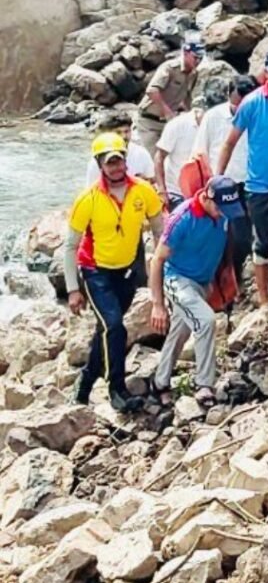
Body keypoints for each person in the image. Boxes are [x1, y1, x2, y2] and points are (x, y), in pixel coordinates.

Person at [64, 133, 165, 413]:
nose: (116, 167)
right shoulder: (88, 199)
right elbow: (70, 246)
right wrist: (73, 289)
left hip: (127, 271)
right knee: (115, 327)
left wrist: (162, 266)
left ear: (125, 160)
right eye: (110, 163)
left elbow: (159, 230)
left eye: (119, 160)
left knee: (107, 330)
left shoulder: (143, 191)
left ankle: (84, 384)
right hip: (95, 271)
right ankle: (116, 389)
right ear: (99, 165)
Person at [148, 176, 246, 408]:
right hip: (177, 280)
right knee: (205, 320)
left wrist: (228, 280)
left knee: (180, 331)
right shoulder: (182, 218)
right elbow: (157, 259)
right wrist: (158, 305)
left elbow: (228, 247)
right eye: (220, 208)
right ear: (207, 197)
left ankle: (160, 382)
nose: (223, 214)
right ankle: (204, 385)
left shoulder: (223, 215)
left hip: (204, 282)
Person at [217, 49, 268, 307]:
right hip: (260, 185)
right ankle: (264, 299)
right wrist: (217, 178)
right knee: (263, 243)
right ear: (266, 73)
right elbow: (230, 142)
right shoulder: (252, 103)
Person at [193, 75, 258, 282]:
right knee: (220, 236)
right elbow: (200, 151)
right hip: (221, 185)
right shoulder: (213, 117)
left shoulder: (260, 114)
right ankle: (219, 279)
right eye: (237, 105)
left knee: (243, 239)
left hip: (252, 183)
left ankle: (235, 278)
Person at [133, 37, 203, 156]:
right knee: (152, 158)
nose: (198, 61)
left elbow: (187, 96)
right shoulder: (170, 68)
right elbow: (152, 90)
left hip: (167, 124)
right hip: (148, 122)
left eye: (200, 58)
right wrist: (167, 112)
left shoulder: (193, 74)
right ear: (185, 53)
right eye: (195, 57)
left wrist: (191, 115)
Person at [155, 102, 204, 210]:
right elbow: (159, 157)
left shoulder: (218, 123)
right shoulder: (177, 125)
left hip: (205, 193)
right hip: (177, 193)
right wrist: (162, 189)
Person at [85, 110, 154, 185]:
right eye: (118, 132)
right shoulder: (98, 160)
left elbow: (152, 180)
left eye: (126, 131)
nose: (124, 136)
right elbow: (91, 188)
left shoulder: (141, 153)